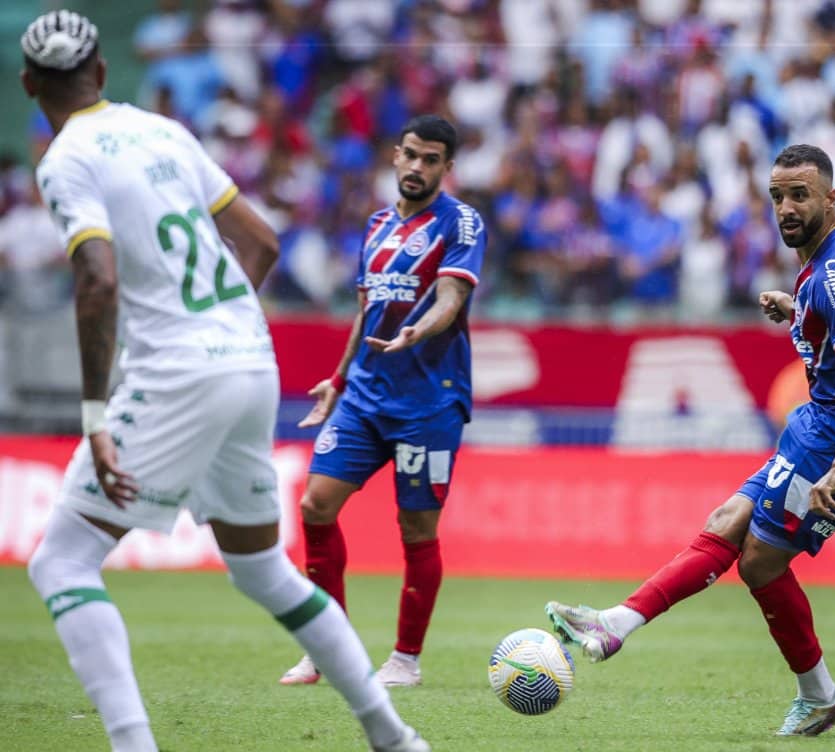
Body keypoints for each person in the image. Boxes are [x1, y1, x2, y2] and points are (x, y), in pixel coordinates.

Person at [18, 11, 428, 751]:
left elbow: (97, 280)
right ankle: (394, 739)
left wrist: (93, 413)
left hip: (175, 373)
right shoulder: (165, 132)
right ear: (103, 74)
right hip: (249, 357)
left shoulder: (63, 159)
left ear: (27, 85)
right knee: (262, 570)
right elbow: (263, 241)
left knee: (60, 561)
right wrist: (220, 330)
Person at [545, 144, 835, 737]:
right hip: (819, 423)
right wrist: (799, 312)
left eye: (800, 195)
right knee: (727, 519)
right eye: (777, 197)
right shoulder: (832, 263)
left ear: (830, 198)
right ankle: (616, 623)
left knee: (761, 562)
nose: (786, 208)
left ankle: (819, 694)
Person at [279, 115, 485, 688]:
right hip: (364, 398)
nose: (418, 168)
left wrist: (421, 330)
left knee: (416, 528)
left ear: (448, 168)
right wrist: (338, 377)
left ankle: (405, 661)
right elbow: (367, 312)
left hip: (429, 403)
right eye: (411, 155)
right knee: (315, 506)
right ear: (396, 156)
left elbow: (451, 295)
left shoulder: (461, 223)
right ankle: (327, 651)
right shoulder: (375, 225)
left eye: (431, 160)